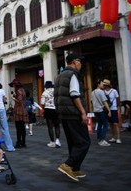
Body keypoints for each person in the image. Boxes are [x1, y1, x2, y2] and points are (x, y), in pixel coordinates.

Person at [54, 53, 90, 182]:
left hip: (64, 114)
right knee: (84, 142)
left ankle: (75, 169)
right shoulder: (72, 74)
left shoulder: (59, 75)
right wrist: (83, 112)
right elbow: (75, 95)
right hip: (73, 113)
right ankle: (68, 165)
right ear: (74, 62)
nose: (81, 64)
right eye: (80, 61)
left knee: (73, 142)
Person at [40, 81, 61, 148]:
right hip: (56, 109)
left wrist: (42, 111)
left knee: (50, 127)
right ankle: (57, 140)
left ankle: (52, 142)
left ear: (46, 86)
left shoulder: (44, 92)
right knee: (57, 125)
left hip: (48, 109)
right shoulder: (56, 91)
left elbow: (42, 103)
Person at [9, 78, 28, 148]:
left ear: (15, 85)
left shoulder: (18, 90)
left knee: (18, 127)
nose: (13, 86)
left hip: (18, 110)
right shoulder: (23, 90)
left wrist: (13, 98)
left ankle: (18, 143)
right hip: (23, 109)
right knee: (22, 127)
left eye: (13, 85)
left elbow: (19, 100)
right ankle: (23, 142)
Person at [91, 80, 111, 146]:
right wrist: (109, 110)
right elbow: (105, 102)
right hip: (101, 111)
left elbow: (92, 102)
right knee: (105, 125)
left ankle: (99, 140)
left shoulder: (92, 92)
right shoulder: (101, 92)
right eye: (102, 84)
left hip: (95, 111)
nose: (103, 85)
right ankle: (103, 140)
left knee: (99, 124)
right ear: (98, 84)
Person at [103, 79, 121, 144]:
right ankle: (113, 137)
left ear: (106, 85)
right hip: (107, 109)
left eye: (104, 84)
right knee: (110, 124)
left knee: (115, 123)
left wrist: (118, 107)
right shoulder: (103, 91)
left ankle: (118, 138)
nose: (103, 85)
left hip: (113, 109)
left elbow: (118, 99)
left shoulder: (114, 91)